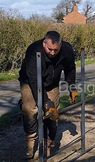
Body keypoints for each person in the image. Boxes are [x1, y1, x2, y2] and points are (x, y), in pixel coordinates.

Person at [18, 31, 78, 159]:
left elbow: (70, 68)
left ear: (61, 45)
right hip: (30, 82)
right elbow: (34, 80)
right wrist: (46, 102)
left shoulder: (67, 50)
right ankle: (31, 142)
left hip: (52, 83)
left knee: (53, 114)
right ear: (44, 43)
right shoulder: (33, 50)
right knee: (30, 110)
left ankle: (49, 142)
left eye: (56, 50)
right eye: (50, 49)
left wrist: (72, 87)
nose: (52, 53)